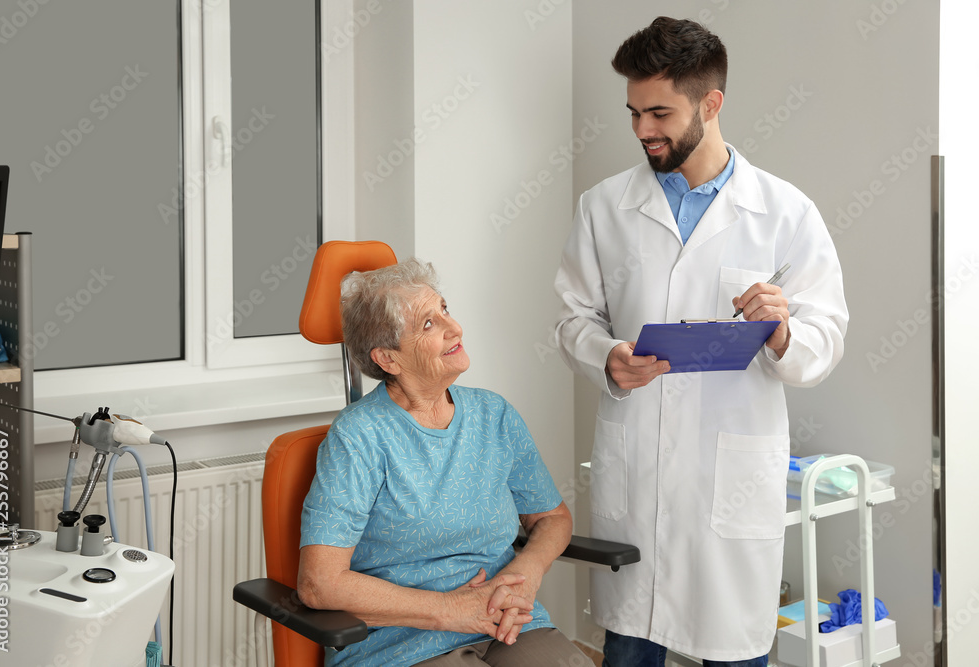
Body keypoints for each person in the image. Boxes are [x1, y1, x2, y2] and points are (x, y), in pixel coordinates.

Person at [553, 17, 849, 667]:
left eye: (658, 112)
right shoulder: (603, 207)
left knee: (734, 650)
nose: (641, 131)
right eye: (633, 112)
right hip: (638, 479)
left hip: (729, 487)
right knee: (631, 645)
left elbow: (826, 340)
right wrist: (607, 356)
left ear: (711, 104)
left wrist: (784, 331)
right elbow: (571, 318)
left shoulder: (785, 212)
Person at [298, 258, 594, 667]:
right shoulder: (358, 437)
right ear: (389, 360)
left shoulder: (495, 415)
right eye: (427, 325)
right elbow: (319, 585)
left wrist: (523, 577)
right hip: (399, 643)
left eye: (445, 310)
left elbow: (553, 518)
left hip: (508, 622)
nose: (454, 328)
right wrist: (451, 610)